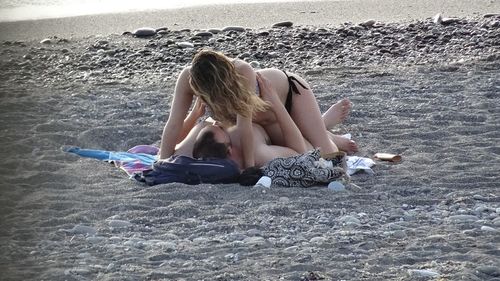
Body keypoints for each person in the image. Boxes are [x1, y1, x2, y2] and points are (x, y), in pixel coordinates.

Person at [159, 49, 353, 169]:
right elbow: (174, 123)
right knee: (299, 145)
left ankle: (324, 125)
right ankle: (321, 125)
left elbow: (244, 126)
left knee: (328, 156)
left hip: (289, 99)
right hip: (262, 122)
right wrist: (163, 162)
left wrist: (249, 168)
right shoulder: (187, 79)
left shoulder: (242, 71)